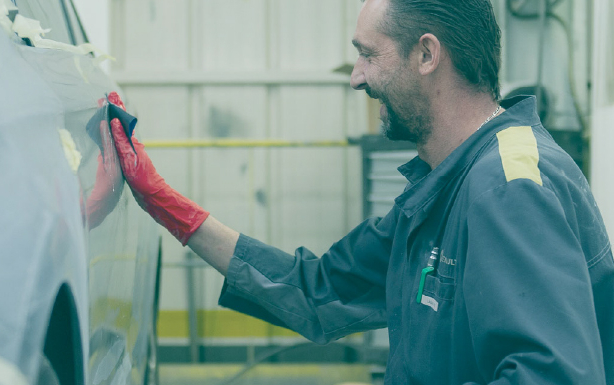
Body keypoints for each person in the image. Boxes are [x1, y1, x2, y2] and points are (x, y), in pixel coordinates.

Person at [109, 0, 614, 383]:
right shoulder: (445, 188)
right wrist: (162, 201)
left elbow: (555, 375)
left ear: (426, 54)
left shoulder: (509, 185)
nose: (356, 78)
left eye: (368, 56)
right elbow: (317, 290)